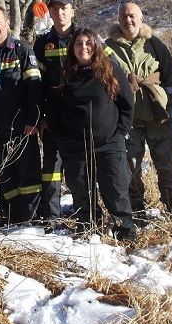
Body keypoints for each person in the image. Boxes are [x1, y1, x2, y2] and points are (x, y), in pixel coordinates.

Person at [45, 28, 136, 239]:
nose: (83, 47)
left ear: (96, 46)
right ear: (72, 48)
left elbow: (127, 103)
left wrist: (120, 132)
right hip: (76, 147)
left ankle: (125, 233)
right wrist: (62, 139)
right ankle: (89, 228)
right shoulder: (65, 74)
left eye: (88, 43)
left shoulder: (110, 69)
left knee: (115, 191)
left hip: (109, 145)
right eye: (78, 43)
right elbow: (53, 110)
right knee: (81, 192)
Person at [105, 2, 172, 218]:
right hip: (128, 119)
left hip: (157, 117)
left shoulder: (154, 44)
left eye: (132, 16)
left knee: (165, 164)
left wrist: (166, 100)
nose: (127, 20)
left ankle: (171, 207)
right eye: (123, 16)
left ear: (141, 18)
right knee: (130, 167)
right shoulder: (108, 47)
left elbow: (170, 74)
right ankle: (137, 210)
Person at [0, 5, 42, 224]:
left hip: (22, 127)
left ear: (7, 23)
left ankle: (30, 219)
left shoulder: (22, 51)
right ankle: (11, 219)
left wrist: (32, 121)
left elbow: (34, 89)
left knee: (28, 176)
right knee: (6, 176)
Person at [33, 0, 77, 229]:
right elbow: (36, 84)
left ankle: (84, 214)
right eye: (55, 9)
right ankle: (50, 217)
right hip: (52, 118)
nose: (59, 13)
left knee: (78, 168)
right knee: (51, 169)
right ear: (49, 13)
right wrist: (41, 117)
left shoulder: (84, 38)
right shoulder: (42, 43)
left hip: (78, 117)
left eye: (64, 8)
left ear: (72, 11)